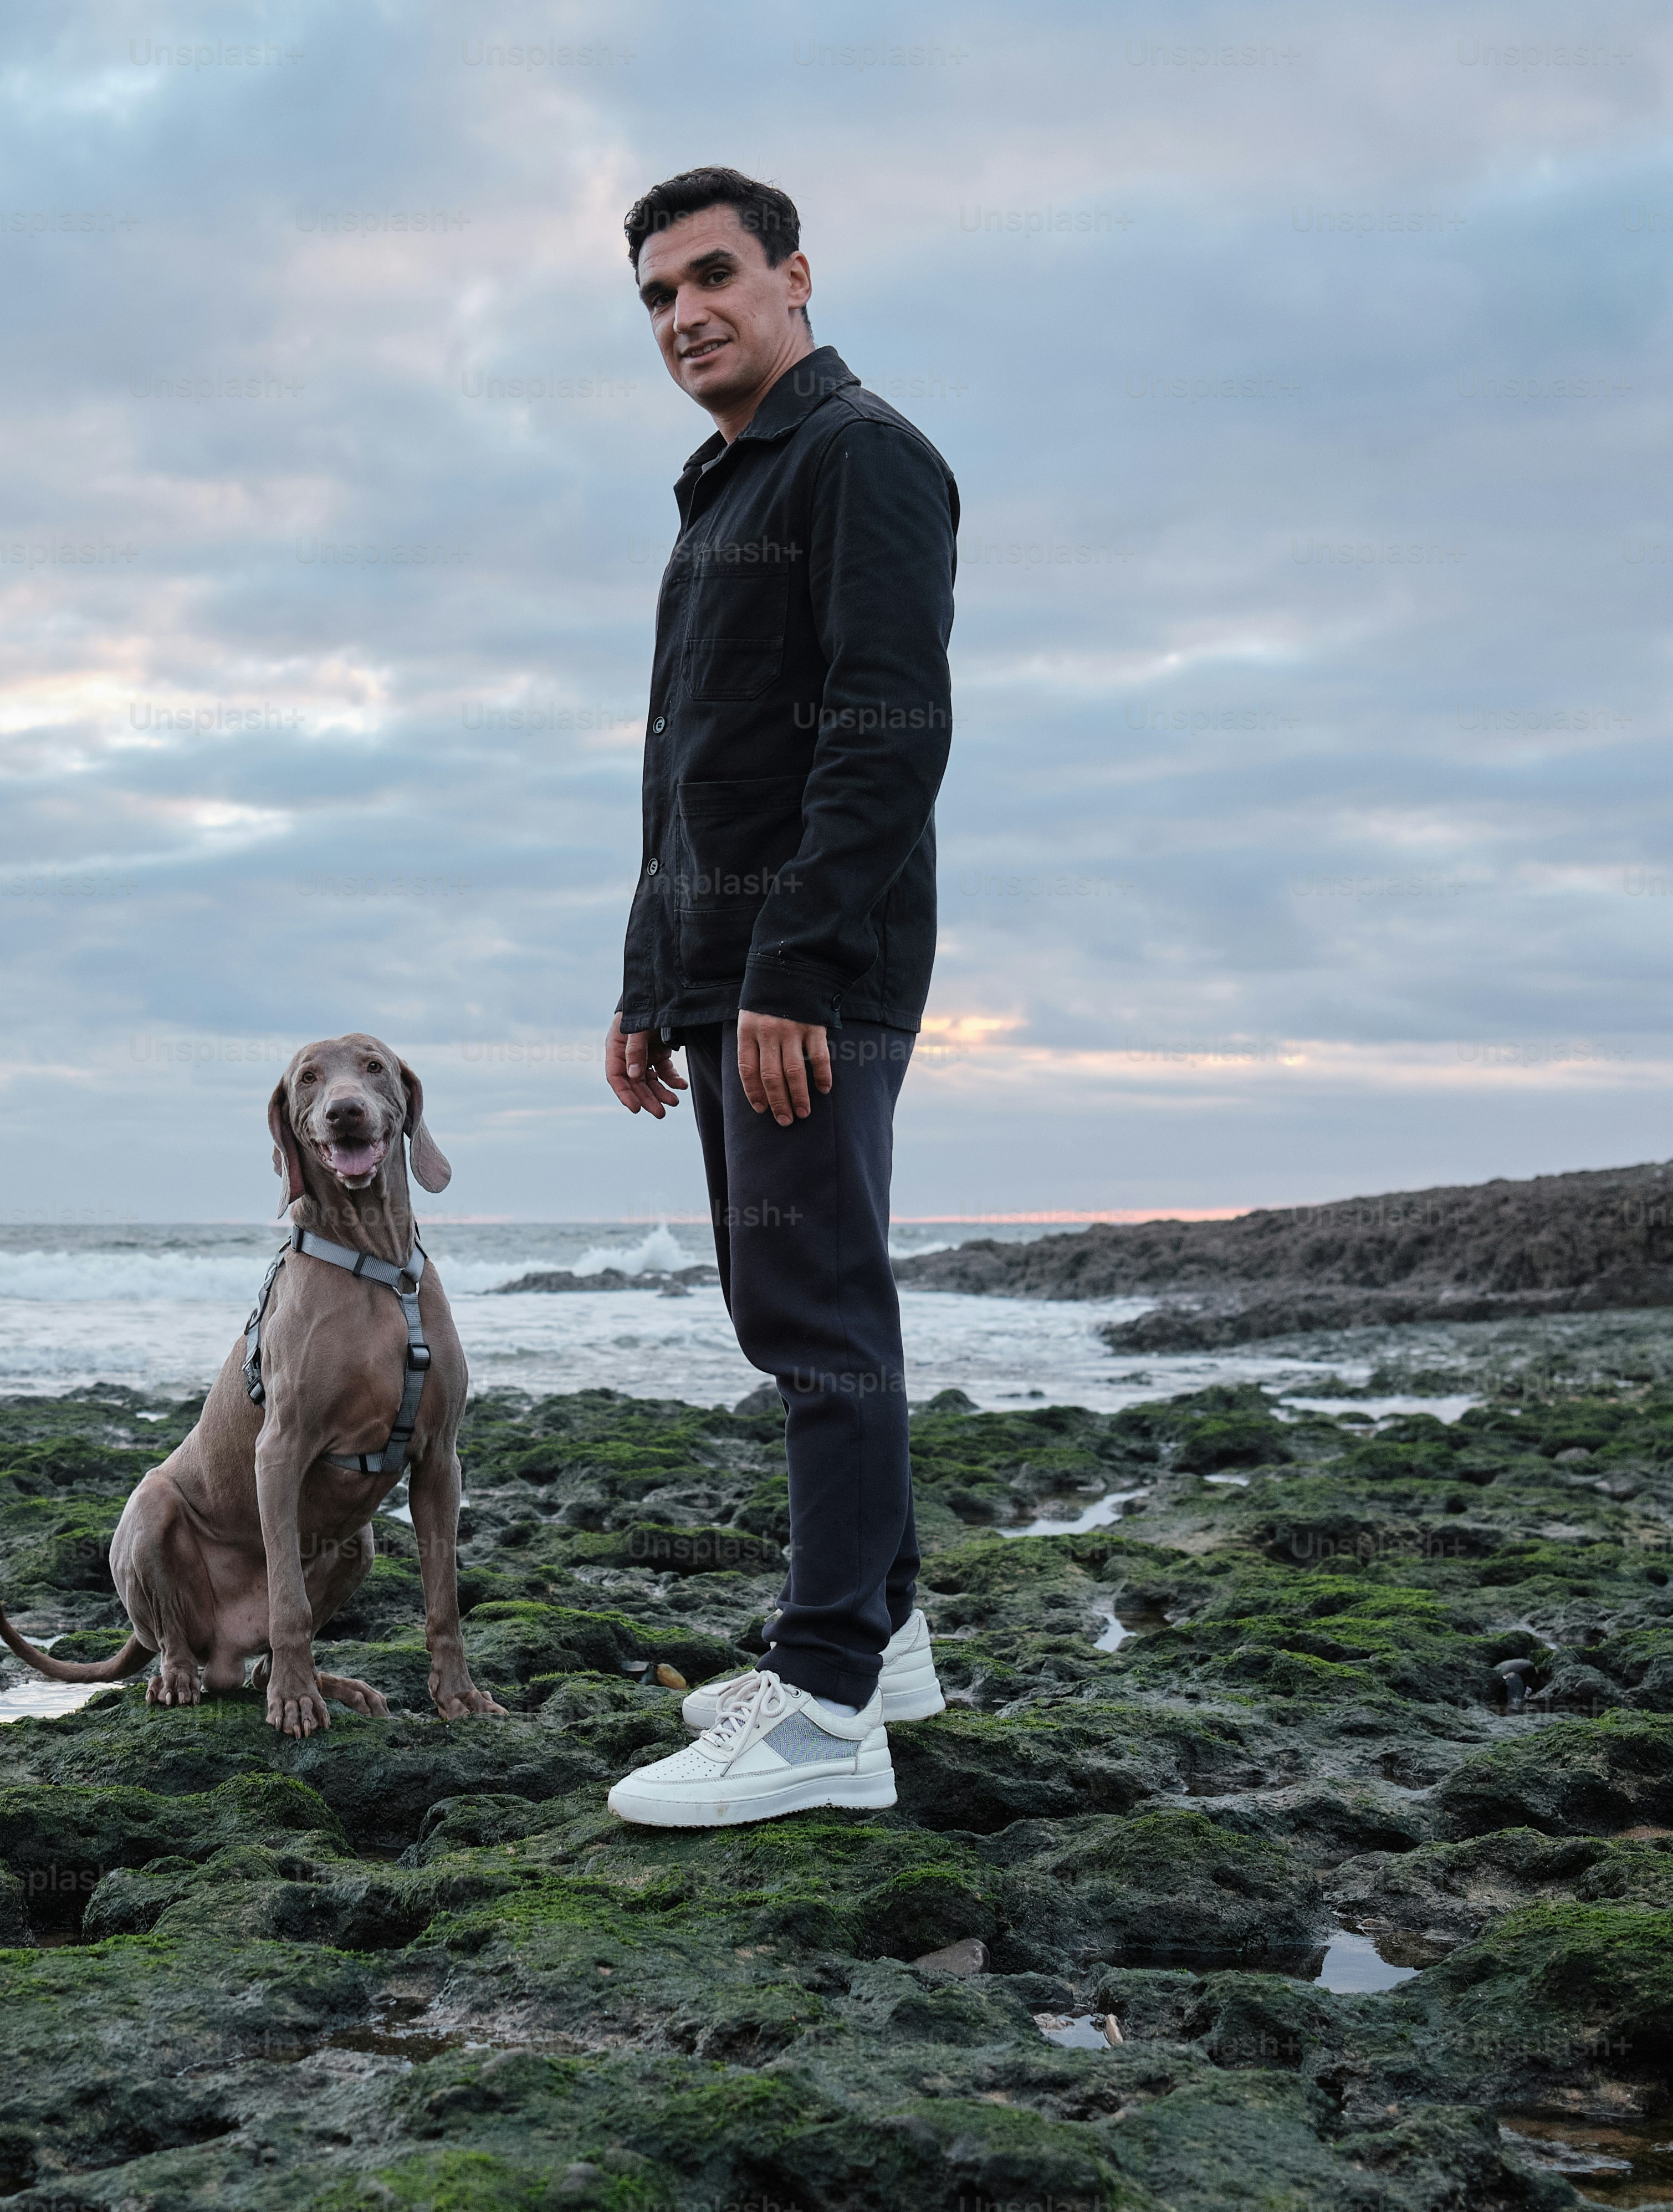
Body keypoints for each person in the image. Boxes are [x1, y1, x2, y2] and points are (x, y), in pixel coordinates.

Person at [595, 167, 960, 1828]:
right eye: (658, 297)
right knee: (800, 1317)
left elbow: (886, 733)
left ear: (794, 276)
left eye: (712, 278)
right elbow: (696, 769)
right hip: (727, 981)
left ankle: (821, 1711)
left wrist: (786, 971)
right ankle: (880, 1643)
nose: (684, 316)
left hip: (807, 981)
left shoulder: (859, 455)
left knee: (814, 1326)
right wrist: (650, 980)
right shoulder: (722, 486)